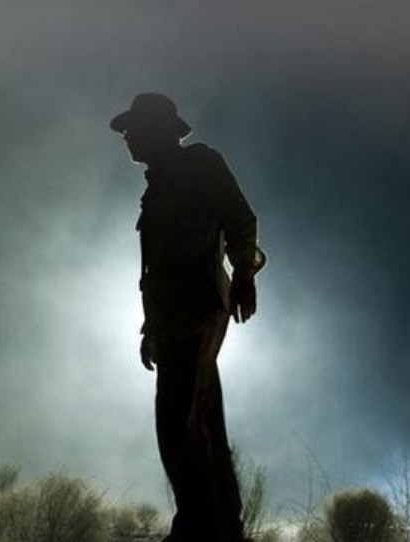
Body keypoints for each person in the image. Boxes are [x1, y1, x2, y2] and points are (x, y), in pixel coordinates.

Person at [110, 93, 265, 542]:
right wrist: (151, 329)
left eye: (134, 129)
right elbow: (157, 269)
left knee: (176, 421)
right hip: (173, 317)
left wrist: (244, 275)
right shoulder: (156, 188)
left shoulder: (199, 164)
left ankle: (197, 527)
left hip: (199, 308)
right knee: (203, 420)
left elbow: (240, 219)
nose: (127, 138)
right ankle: (223, 526)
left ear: (158, 130)